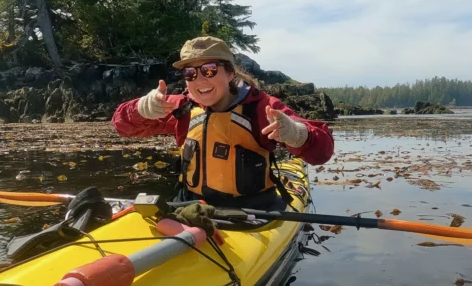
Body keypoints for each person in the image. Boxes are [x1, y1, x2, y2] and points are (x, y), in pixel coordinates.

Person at [111, 36, 334, 208]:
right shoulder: (180, 107)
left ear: (229, 73)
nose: (199, 80)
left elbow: (322, 152)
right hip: (192, 206)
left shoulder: (261, 106)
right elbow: (121, 126)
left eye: (209, 70)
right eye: (190, 73)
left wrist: (297, 134)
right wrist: (141, 109)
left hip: (254, 210)